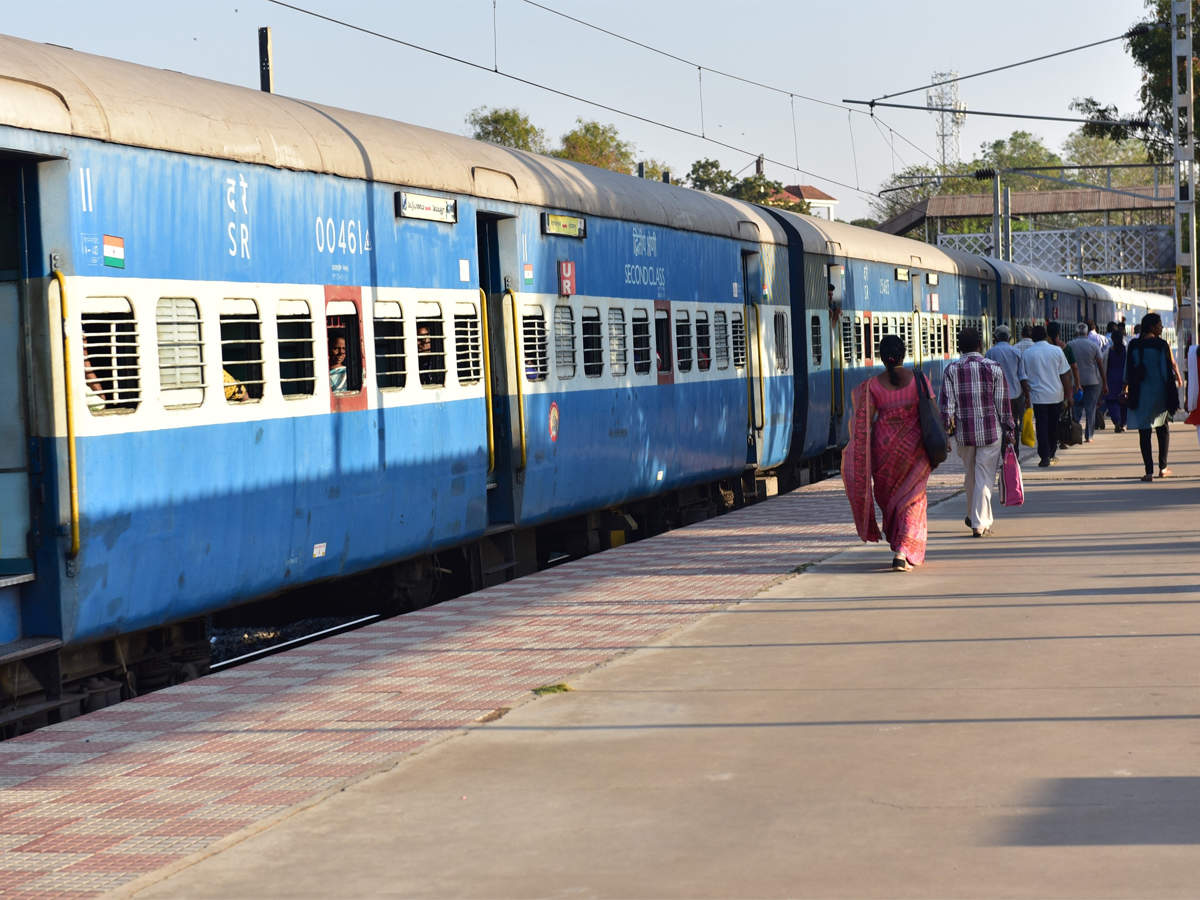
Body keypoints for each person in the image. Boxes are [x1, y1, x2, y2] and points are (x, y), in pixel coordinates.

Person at [841, 334, 933, 573]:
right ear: (904, 354)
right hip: (915, 450)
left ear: (882, 358)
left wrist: (858, 451)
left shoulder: (872, 386)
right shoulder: (919, 379)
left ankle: (898, 544)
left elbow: (862, 421)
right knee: (912, 500)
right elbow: (932, 412)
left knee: (890, 499)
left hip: (883, 451)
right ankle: (903, 550)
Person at [942, 328, 1013, 537]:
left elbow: (947, 407)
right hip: (991, 431)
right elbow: (1002, 404)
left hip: (964, 434)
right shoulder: (994, 368)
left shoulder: (951, 370)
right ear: (980, 346)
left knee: (971, 475)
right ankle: (979, 523)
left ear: (959, 347)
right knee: (984, 476)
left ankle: (975, 516)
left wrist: (946, 433)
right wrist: (1009, 429)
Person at [1124, 312, 1182, 481]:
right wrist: (1172, 390)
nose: (1162, 327)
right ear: (1152, 326)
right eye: (1159, 324)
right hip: (1159, 394)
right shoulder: (1161, 345)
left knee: (1144, 432)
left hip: (1140, 394)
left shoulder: (1133, 345)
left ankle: (1148, 471)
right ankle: (1162, 468)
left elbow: (1127, 371)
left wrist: (1125, 387)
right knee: (1162, 429)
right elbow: (1166, 373)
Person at [1020, 324, 1073, 468]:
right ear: (1046, 336)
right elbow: (1065, 375)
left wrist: (1026, 397)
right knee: (1053, 425)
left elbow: (1023, 378)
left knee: (1042, 427)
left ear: (1032, 337)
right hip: (1056, 395)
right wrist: (1069, 395)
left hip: (1038, 397)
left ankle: (1044, 456)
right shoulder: (1056, 351)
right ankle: (1051, 453)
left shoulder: (1027, 354)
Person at [1066, 322, 1107, 442]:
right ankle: (1089, 435)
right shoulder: (1093, 345)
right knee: (1091, 409)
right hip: (1092, 381)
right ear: (1087, 332)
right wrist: (1104, 383)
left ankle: (1075, 433)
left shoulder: (1069, 345)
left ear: (1076, 332)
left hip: (1075, 382)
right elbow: (1100, 365)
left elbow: (1064, 365)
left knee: (1077, 408)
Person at [985, 324, 1029, 431]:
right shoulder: (1016, 352)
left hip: (997, 396)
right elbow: (1022, 376)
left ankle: (1004, 445)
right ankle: (1015, 446)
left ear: (995, 338)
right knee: (1013, 422)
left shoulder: (989, 353)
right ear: (1009, 338)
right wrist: (1028, 396)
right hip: (1015, 395)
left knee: (1000, 424)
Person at [1102, 325, 1128, 433]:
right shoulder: (1126, 351)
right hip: (1123, 378)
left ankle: (1116, 421)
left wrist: (1103, 382)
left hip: (1111, 379)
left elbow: (1104, 366)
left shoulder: (1108, 351)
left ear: (1112, 339)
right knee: (1124, 402)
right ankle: (1122, 423)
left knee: (1112, 402)